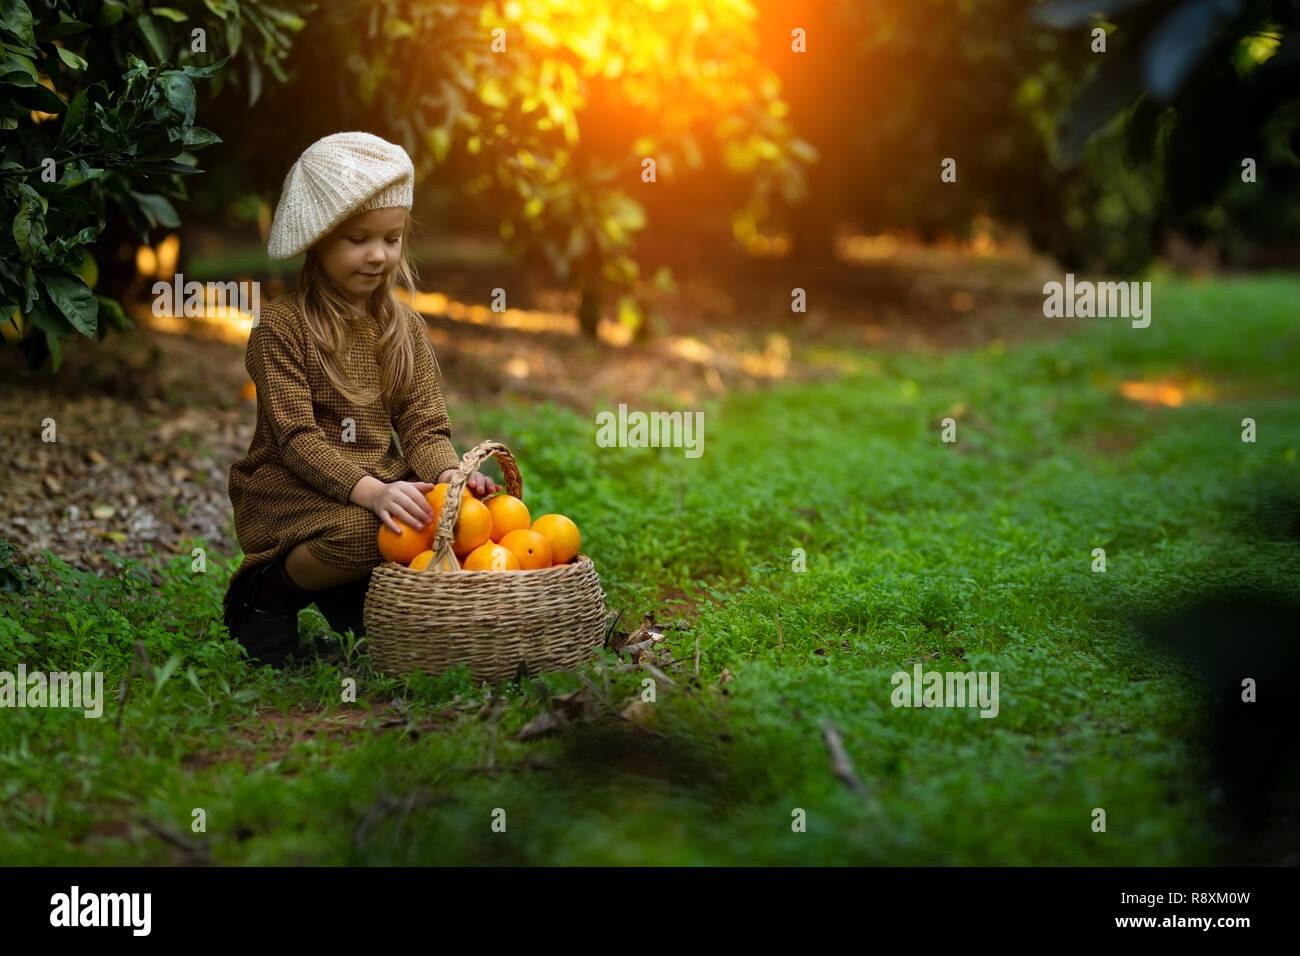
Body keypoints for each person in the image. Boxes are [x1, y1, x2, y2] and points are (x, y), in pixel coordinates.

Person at [223, 131, 500, 669]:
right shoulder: (281, 328)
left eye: (392, 239)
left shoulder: (402, 329)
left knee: (436, 519)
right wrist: (371, 491)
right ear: (318, 238)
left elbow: (422, 423)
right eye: (358, 239)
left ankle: (349, 592)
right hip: (291, 488)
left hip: (376, 485)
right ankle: (264, 594)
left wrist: (448, 477)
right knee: (381, 530)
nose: (379, 255)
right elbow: (296, 438)